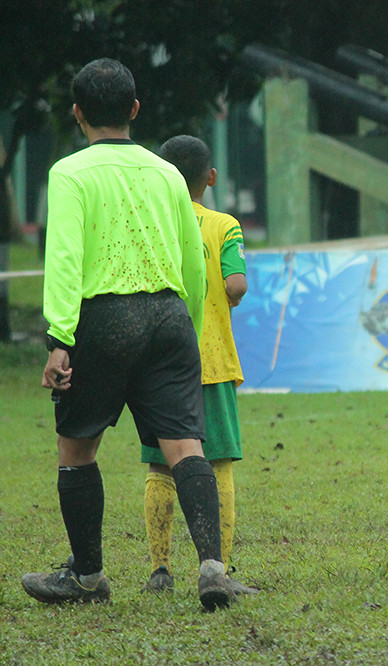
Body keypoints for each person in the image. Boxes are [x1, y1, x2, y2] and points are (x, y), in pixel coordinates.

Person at [22, 58, 235, 610]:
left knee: (77, 449)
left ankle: (87, 578)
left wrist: (58, 338)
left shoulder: (70, 173)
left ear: (77, 114)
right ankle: (212, 566)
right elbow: (193, 260)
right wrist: (181, 321)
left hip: (103, 319)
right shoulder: (167, 173)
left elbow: (65, 259)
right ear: (135, 110)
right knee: (186, 446)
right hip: (168, 315)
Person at [141, 135, 256, 596]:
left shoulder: (151, 221)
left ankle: (159, 570)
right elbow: (237, 284)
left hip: (158, 362)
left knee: (159, 467)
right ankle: (218, 570)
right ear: (210, 177)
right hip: (210, 358)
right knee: (219, 462)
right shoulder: (224, 224)